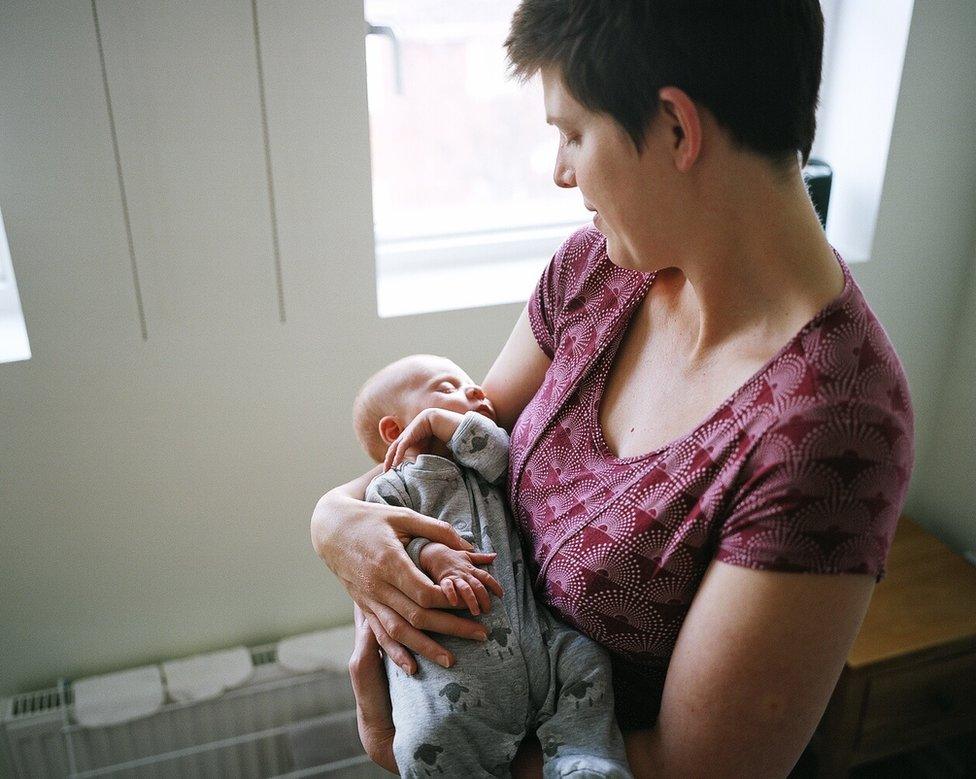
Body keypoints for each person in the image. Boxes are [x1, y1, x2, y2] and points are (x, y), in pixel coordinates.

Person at [311, 2, 915, 776]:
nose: (561, 169)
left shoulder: (833, 427)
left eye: (572, 133)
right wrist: (334, 518)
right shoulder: (594, 270)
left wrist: (415, 748)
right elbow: (457, 442)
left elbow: (684, 767)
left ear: (674, 128)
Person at [352, 353, 632, 777]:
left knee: (585, 660)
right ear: (394, 429)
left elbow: (506, 455)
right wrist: (430, 555)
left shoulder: (486, 469)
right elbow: (382, 554)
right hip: (454, 675)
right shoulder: (392, 489)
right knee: (428, 740)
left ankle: (582, 759)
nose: (476, 390)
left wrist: (444, 421)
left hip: (536, 646)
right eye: (448, 387)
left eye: (472, 383)